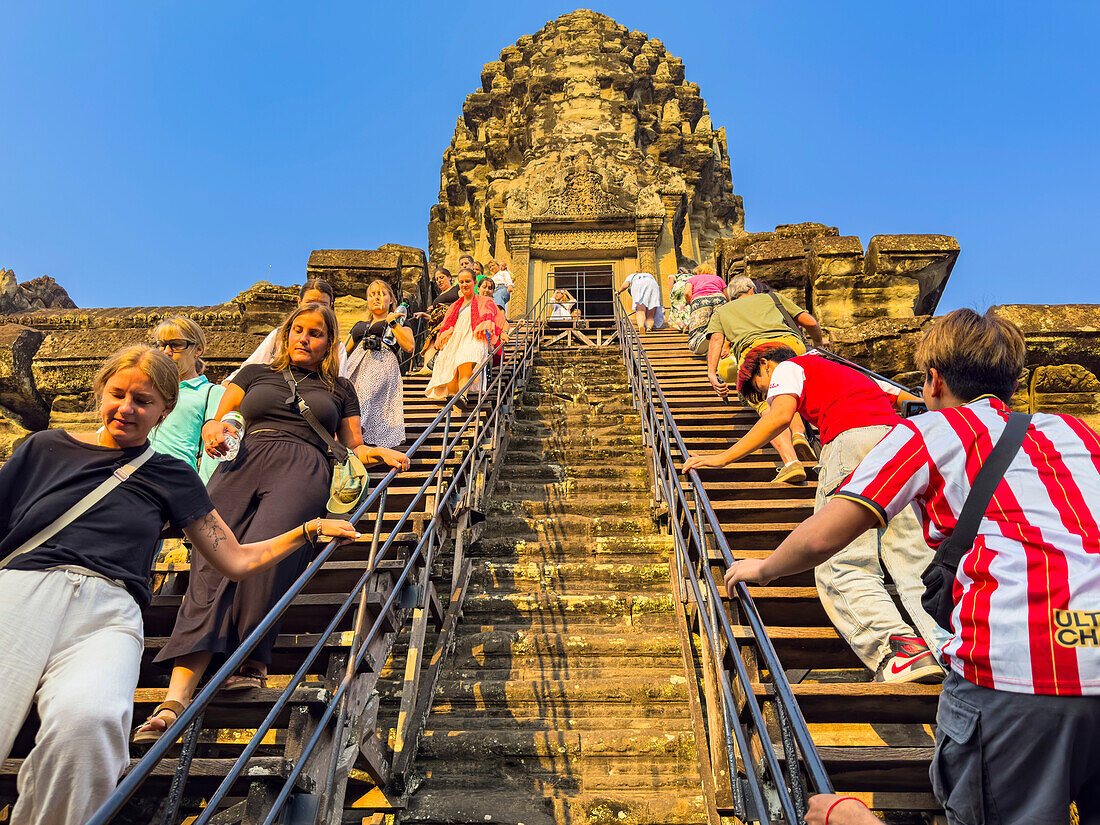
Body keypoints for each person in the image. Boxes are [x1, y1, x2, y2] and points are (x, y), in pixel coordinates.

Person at [725, 308, 1100, 825]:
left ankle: (896, 662)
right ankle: (932, 647)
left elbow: (824, 538)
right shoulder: (1078, 433)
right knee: (912, 562)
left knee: (849, 566)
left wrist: (764, 568)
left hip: (1018, 671)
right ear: (1013, 382)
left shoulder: (932, 430)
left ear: (933, 381)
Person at [0, 345, 360, 825]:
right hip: (23, 589)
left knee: (92, 728)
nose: (126, 408)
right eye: (118, 394)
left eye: (143, 401)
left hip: (110, 608)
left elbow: (232, 557)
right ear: (100, 392)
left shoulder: (172, 475)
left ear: (165, 411)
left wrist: (307, 530)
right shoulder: (45, 447)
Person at [139, 305, 410, 743]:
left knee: (269, 555)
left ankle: (251, 662)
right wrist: (212, 430)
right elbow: (220, 416)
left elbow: (352, 446)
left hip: (304, 466)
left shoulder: (339, 388)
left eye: (316, 333)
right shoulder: (254, 375)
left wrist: (379, 454)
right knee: (211, 562)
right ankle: (176, 695)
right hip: (242, 462)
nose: (304, 338)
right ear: (286, 336)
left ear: (329, 342)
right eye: (297, 330)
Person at [684, 343, 948, 682]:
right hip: (899, 444)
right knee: (913, 559)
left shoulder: (788, 368)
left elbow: (778, 416)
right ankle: (946, 650)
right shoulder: (846, 369)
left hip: (850, 442)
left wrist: (723, 458)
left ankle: (898, 649)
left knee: (842, 561)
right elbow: (902, 397)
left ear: (764, 365)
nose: (763, 396)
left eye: (757, 388)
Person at [706, 275, 824, 483]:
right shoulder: (773, 298)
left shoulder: (723, 311)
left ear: (731, 297)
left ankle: (791, 463)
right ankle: (799, 434)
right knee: (788, 393)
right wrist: (818, 343)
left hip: (758, 355)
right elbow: (809, 321)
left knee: (768, 403)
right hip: (790, 347)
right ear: (752, 290)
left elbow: (716, 339)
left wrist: (711, 372)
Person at [224, 278, 347, 384]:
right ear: (299, 302)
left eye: (323, 305)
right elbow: (249, 368)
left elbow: (339, 384)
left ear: (331, 305)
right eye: (309, 303)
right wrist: (229, 384)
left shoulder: (337, 347)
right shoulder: (279, 336)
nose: (315, 308)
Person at [147, 316, 224, 483]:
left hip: (176, 485)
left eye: (176, 345)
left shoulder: (212, 392)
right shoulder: (148, 388)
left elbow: (213, 456)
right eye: (162, 345)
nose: (166, 351)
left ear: (198, 350)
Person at [345, 280, 414, 450]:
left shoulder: (400, 321)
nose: (376, 297)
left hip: (381, 362)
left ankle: (358, 448)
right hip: (356, 364)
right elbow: (342, 352)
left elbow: (409, 346)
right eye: (372, 294)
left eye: (382, 293)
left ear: (391, 300)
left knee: (364, 402)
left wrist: (393, 323)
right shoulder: (359, 326)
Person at [414, 267, 460, 375]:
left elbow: (464, 301)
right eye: (437, 279)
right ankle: (426, 367)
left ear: (449, 277)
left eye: (442, 277)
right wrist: (424, 315)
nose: (439, 280)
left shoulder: (457, 289)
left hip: (451, 320)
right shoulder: (439, 296)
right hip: (438, 322)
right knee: (430, 341)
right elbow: (436, 316)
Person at [683, 263, 729, 354]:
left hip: (701, 299)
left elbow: (687, 293)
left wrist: (692, 303)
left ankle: (699, 340)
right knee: (720, 325)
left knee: (698, 326)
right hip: (719, 298)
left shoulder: (692, 279)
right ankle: (722, 346)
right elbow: (727, 294)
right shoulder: (718, 278)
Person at [666, 267, 693, 332]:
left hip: (678, 288)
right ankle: (687, 325)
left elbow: (670, 277)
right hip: (688, 287)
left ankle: (679, 325)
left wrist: (671, 290)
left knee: (677, 308)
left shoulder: (679, 276)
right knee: (687, 307)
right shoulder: (692, 276)